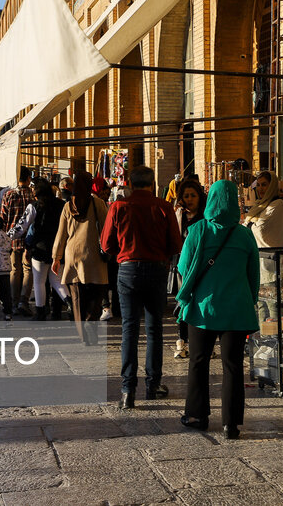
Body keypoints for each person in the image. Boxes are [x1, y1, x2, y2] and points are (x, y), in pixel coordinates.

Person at [176, 180, 259, 439]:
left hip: (203, 309)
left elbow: (183, 267)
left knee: (198, 362)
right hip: (236, 310)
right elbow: (253, 276)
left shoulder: (198, 230)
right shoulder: (245, 234)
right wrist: (249, 300)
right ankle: (231, 424)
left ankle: (197, 415)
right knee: (232, 366)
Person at [100, 165, 181, 409]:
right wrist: (162, 257)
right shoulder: (164, 207)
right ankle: (153, 383)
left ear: (130, 185)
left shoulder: (118, 207)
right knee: (155, 328)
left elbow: (106, 244)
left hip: (128, 269)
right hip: (156, 269)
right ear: (153, 183)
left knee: (129, 330)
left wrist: (122, 255)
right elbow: (176, 244)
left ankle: (127, 390)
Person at [52, 172, 109, 341]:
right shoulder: (97, 203)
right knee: (96, 295)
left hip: (72, 257)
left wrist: (56, 257)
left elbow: (61, 234)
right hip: (93, 256)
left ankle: (83, 335)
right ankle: (91, 322)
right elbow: (106, 228)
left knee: (77, 299)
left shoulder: (68, 206)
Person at [9, 179, 67, 320]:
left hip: (40, 249)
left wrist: (5, 236)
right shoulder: (62, 205)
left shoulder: (34, 206)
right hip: (59, 249)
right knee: (57, 280)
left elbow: (21, 227)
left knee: (39, 281)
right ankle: (71, 303)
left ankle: (40, 312)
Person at [171, 178, 206, 359]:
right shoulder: (180, 216)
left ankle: (201, 342)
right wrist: (177, 215)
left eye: (193, 195)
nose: (190, 199)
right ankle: (182, 341)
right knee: (183, 303)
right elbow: (174, 239)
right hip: (183, 268)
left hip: (201, 267)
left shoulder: (205, 217)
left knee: (199, 303)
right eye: (186, 196)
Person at [1, 166, 35, 316]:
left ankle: (14, 303)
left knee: (15, 270)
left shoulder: (8, 195)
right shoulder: (33, 196)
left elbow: (3, 218)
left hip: (12, 240)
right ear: (28, 178)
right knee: (28, 270)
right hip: (29, 240)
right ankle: (24, 301)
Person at [93, 177, 120, 322]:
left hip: (105, 246)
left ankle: (110, 307)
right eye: (105, 189)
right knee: (107, 277)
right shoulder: (97, 203)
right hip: (103, 246)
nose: (108, 192)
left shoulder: (98, 202)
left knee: (108, 277)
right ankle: (108, 307)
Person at [245, 171, 283, 251]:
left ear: (272, 186)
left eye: (264, 185)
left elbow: (260, 228)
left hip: (274, 256)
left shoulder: (277, 204)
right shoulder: (258, 205)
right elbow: (246, 225)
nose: (260, 188)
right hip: (259, 254)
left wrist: (248, 225)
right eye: (258, 185)